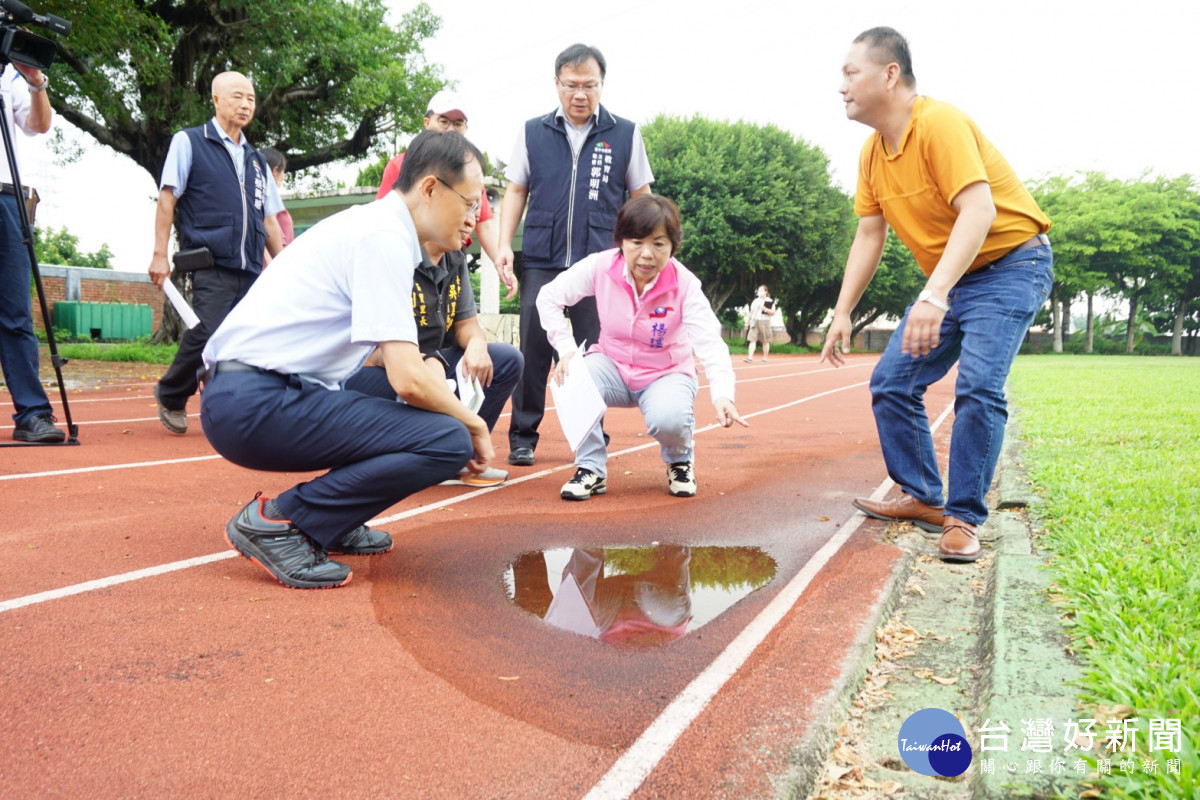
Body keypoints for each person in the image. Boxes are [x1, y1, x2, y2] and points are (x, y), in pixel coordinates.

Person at [200, 130, 495, 590]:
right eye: (471, 202)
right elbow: (407, 379)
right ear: (432, 189)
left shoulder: (379, 228)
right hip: (253, 400)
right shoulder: (383, 236)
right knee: (448, 439)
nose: (475, 218)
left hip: (265, 392)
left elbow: (388, 361)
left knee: (424, 421)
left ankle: (332, 520)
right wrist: (473, 423)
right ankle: (280, 522)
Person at [821, 27, 1053, 563]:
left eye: (850, 73)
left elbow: (979, 211)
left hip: (1011, 265)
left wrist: (935, 294)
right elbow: (869, 234)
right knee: (892, 382)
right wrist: (842, 312)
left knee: (978, 386)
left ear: (889, 74)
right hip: (954, 279)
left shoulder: (939, 124)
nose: (841, 86)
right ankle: (925, 496)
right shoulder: (872, 153)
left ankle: (964, 517)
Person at [497, 43, 655, 468]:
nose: (580, 94)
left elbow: (642, 197)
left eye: (589, 85)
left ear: (602, 85)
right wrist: (502, 246)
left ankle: (591, 437)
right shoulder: (533, 131)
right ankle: (523, 435)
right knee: (532, 345)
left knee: (592, 353)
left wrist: (643, 255)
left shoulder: (624, 133)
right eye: (571, 85)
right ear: (557, 84)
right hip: (542, 258)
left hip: (600, 261)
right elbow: (515, 190)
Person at [538, 194, 747, 501]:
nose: (646, 255)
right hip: (611, 364)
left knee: (670, 419)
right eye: (636, 242)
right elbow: (548, 297)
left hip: (666, 372)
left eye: (659, 244)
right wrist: (566, 349)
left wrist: (723, 394)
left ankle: (679, 460)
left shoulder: (685, 284)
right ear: (621, 242)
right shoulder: (599, 267)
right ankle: (591, 468)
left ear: (673, 247)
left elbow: (710, 342)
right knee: (571, 378)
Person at [148, 71, 284, 435]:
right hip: (210, 260)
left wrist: (284, 263)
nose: (245, 104)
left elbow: (270, 219)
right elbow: (167, 198)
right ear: (216, 100)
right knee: (207, 330)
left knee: (246, 339)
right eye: (238, 96)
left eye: (251, 99)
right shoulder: (190, 141)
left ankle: (230, 404)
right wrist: (159, 254)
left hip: (251, 265)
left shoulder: (257, 160)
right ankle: (173, 393)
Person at [347, 234, 523, 488]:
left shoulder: (455, 258)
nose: (470, 221)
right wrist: (423, 361)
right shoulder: (393, 256)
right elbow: (367, 346)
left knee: (506, 360)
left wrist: (477, 344)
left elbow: (467, 325)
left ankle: (462, 459)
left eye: (475, 209)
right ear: (431, 195)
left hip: (434, 368)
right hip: (377, 372)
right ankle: (394, 457)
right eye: (465, 206)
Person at [374, 91, 515, 299]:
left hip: (452, 260)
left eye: (458, 123)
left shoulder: (470, 172)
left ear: (466, 128)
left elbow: (483, 225)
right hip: (410, 259)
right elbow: (383, 217)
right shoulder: (401, 164)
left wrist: (500, 263)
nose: (451, 130)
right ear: (426, 122)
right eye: (444, 121)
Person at [1, 63, 63, 443]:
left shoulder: (9, 72)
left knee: (15, 312)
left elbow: (39, 125)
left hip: (7, 194)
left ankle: (32, 414)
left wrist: (37, 82)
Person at [260, 147, 294, 261]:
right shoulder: (271, 206)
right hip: (276, 266)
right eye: (283, 171)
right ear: (275, 171)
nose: (283, 176)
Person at [744, 285, 776, 363]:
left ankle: (765, 358)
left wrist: (765, 309)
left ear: (766, 291)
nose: (759, 292)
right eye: (758, 290)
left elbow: (773, 312)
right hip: (755, 321)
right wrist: (747, 322)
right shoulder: (755, 301)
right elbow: (751, 312)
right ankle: (750, 357)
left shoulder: (769, 300)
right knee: (752, 339)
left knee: (765, 341)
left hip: (765, 321)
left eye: (761, 290)